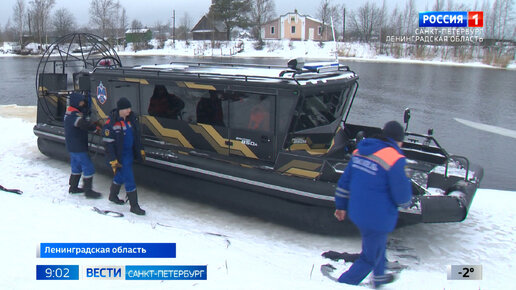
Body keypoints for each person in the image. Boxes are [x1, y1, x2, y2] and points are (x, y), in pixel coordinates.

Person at [333, 120, 412, 288]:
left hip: (357, 210)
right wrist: (406, 202)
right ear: (398, 140)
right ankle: (344, 283)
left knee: (377, 245)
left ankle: (380, 277)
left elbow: (345, 182)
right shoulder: (395, 158)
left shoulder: (360, 151)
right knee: (370, 256)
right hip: (377, 216)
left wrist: (340, 205)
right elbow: (401, 194)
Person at [103, 97, 146, 215]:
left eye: (129, 108)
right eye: (126, 108)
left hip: (129, 154)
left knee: (120, 175)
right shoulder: (111, 123)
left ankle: (113, 195)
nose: (129, 110)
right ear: (120, 109)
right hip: (120, 156)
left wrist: (140, 149)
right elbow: (108, 144)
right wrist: (113, 159)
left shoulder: (131, 119)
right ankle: (134, 206)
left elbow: (136, 137)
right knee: (129, 179)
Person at [64, 92, 102, 198]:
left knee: (76, 167)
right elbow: (83, 124)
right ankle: (88, 191)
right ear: (76, 102)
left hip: (72, 146)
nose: (82, 103)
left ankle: (73, 187)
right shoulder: (74, 116)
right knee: (88, 167)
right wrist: (95, 129)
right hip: (78, 146)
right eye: (81, 102)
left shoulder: (69, 113)